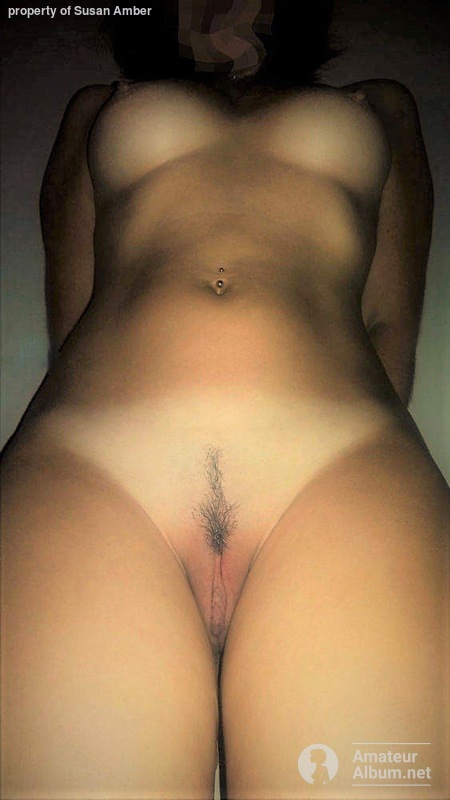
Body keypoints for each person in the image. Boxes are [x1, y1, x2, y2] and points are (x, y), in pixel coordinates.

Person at [1, 1, 449, 798]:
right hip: (91, 462)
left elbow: (391, 324)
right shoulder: (101, 104)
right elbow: (72, 317)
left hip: (340, 462)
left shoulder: (379, 104)